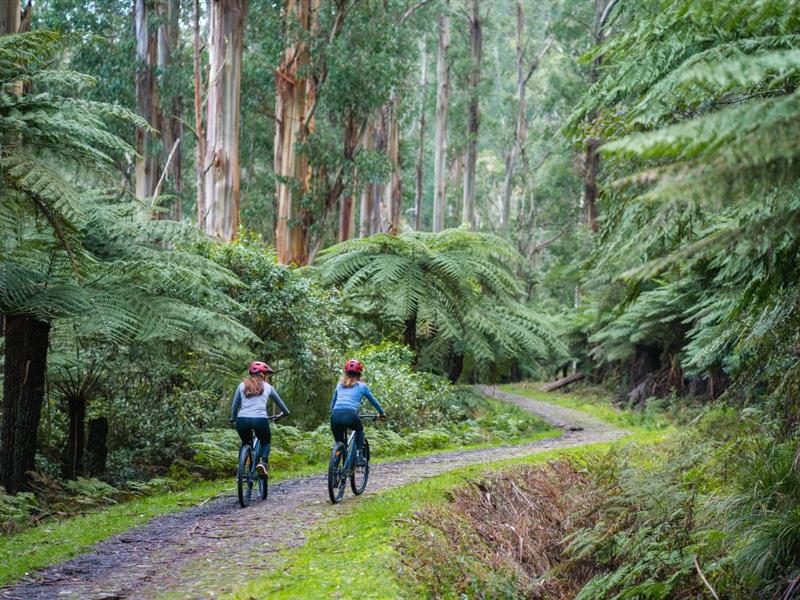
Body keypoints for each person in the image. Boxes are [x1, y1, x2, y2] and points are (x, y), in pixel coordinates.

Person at [230, 361, 290, 476]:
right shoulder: (268, 387)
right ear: (263, 374)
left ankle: (241, 471)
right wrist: (283, 414)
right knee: (266, 442)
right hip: (260, 420)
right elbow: (284, 408)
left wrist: (234, 419)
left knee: (245, 443)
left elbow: (234, 407)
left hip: (242, 420)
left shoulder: (241, 385)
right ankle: (262, 462)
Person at [330, 359, 386, 465]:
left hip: (335, 416)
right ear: (360, 373)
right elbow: (374, 402)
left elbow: (333, 402)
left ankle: (336, 470)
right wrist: (382, 413)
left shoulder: (339, 385)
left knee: (340, 443)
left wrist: (331, 411)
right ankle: (360, 455)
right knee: (359, 429)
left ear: (345, 372)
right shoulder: (362, 386)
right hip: (351, 415)